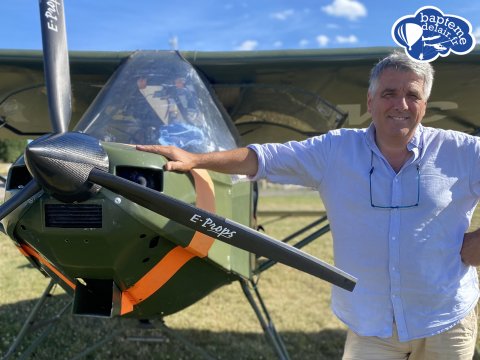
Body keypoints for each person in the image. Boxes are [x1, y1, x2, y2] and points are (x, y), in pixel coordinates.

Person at [136, 51, 479, 360]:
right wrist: (197, 158)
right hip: (370, 323)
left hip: (446, 319)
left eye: (412, 95)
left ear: (425, 104)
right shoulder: (334, 151)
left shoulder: (462, 151)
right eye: (389, 93)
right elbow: (263, 159)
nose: (400, 105)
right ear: (371, 100)